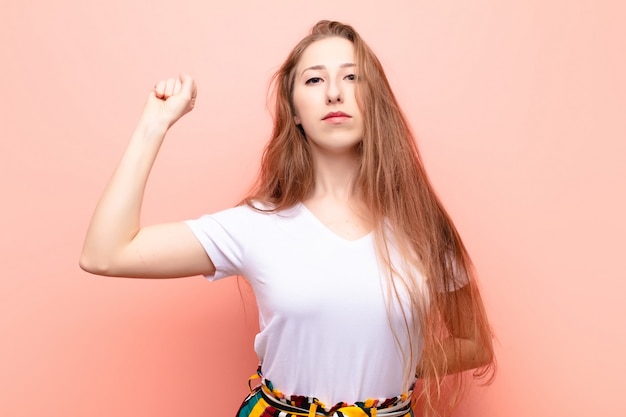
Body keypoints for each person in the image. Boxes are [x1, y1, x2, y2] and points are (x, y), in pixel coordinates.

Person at [80, 20, 495, 417]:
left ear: (377, 100)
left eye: (353, 77)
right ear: (294, 110)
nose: (334, 93)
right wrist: (154, 124)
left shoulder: (421, 225)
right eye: (314, 80)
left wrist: (385, 356)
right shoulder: (256, 225)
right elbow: (106, 254)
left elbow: (474, 343)